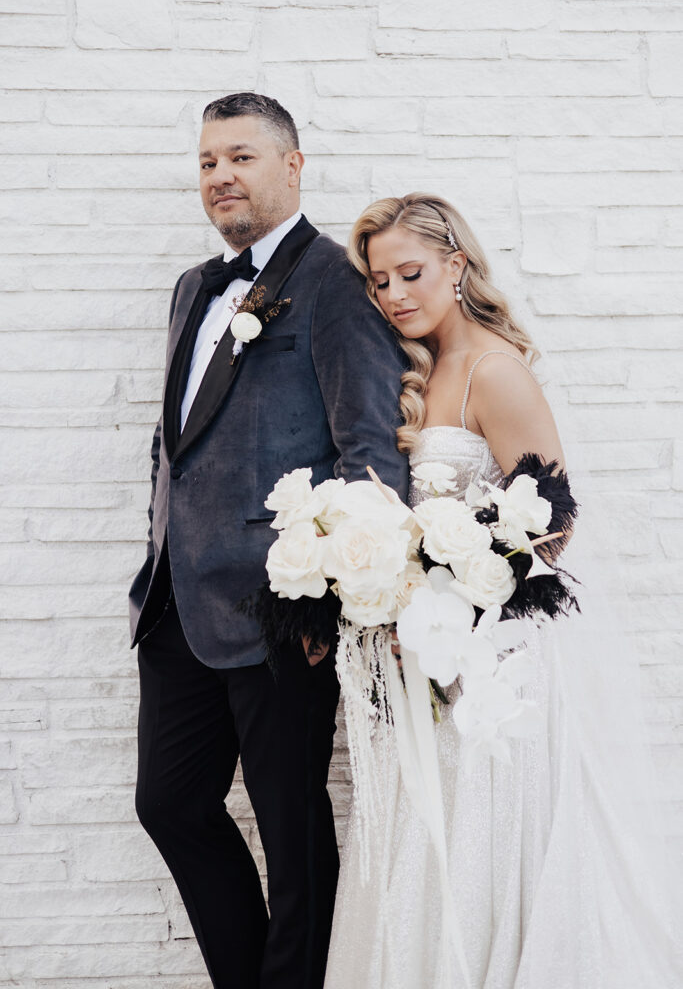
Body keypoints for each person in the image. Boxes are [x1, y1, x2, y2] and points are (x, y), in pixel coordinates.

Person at [323, 193, 681, 988]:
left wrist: (445, 588)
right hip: (431, 658)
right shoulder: (418, 370)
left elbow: (551, 521)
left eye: (409, 273)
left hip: (497, 666)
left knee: (490, 834)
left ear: (456, 264)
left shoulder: (494, 368)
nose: (394, 296)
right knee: (431, 836)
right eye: (379, 283)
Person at [129, 93, 408, 989]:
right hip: (177, 603)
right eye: (208, 160)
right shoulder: (193, 287)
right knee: (170, 804)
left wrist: (337, 596)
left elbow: (369, 450)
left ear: (293, 167)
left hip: (282, 611)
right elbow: (179, 443)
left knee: (291, 830)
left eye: (241, 157)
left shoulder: (333, 281)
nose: (220, 175)